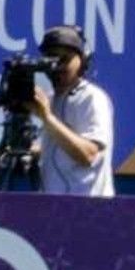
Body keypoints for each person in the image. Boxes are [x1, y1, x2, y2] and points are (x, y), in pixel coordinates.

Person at [31, 25, 115, 197]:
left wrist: (46, 117)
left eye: (65, 59)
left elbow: (89, 154)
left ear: (82, 60)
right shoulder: (51, 99)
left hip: (89, 210)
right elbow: (59, 151)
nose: (58, 66)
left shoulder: (92, 97)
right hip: (53, 209)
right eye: (52, 60)